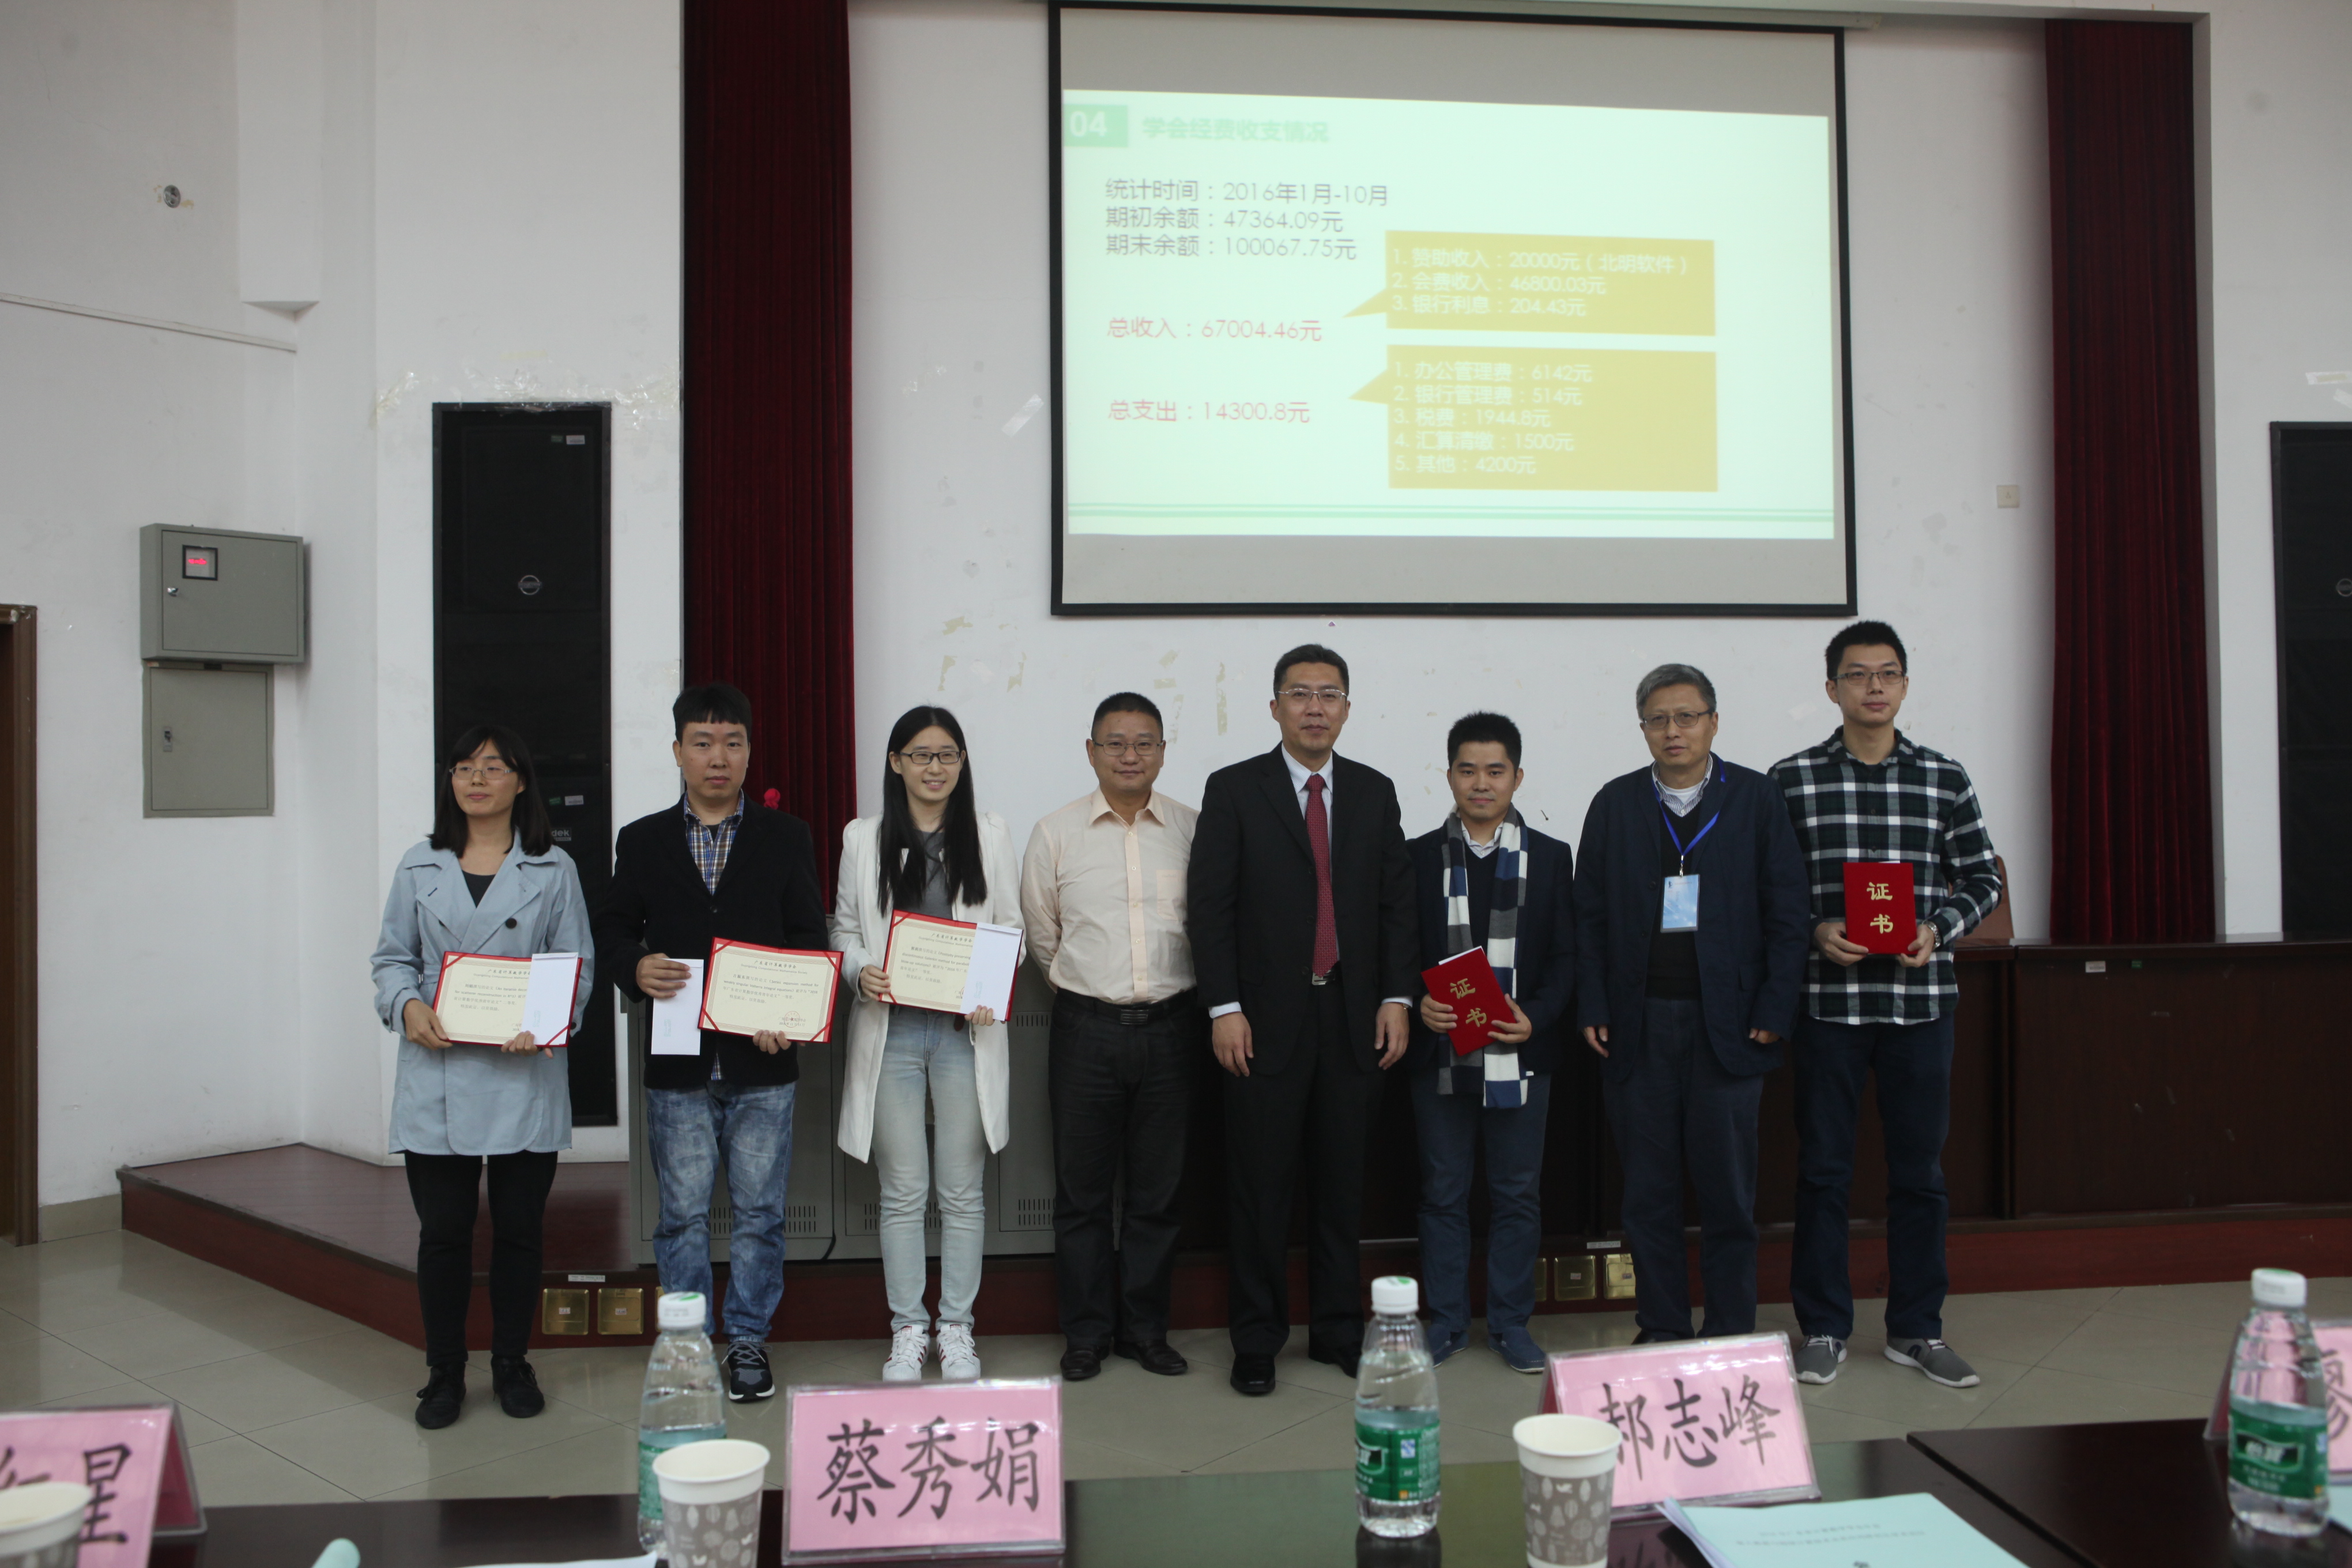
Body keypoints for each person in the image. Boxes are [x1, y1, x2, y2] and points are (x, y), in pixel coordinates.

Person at [1773, 620, 2003, 1389]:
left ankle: (1917, 1328)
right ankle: (1824, 1327)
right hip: (1827, 1008)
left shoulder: (1943, 776)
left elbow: (1983, 878)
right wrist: (1816, 928)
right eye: (1857, 673)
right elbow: (1769, 887)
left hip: (1920, 1007)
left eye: (1888, 673)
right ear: (1830, 687)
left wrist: (1939, 928)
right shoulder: (1792, 779)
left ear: (1904, 685)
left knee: (1921, 1176)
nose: (1874, 686)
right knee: (1823, 1173)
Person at [1188, 644, 1416, 1395]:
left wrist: (1396, 997)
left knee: (1342, 1187)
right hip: (1261, 1021)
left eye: (1329, 694)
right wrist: (1224, 1006)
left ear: (1347, 708)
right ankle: (1257, 1339)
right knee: (1260, 1190)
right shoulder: (1234, 789)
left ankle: (1338, 1331)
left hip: (1352, 1017)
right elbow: (1210, 908)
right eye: (1300, 694)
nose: (1315, 707)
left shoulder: (1375, 792)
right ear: (1275, 707)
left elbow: (1395, 905)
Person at [594, 683, 826, 1403]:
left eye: (732, 742)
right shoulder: (642, 840)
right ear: (678, 751)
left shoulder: (787, 836)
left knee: (760, 1213)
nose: (717, 756)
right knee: (682, 1215)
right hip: (679, 1062)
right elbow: (612, 929)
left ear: (749, 751)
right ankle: (688, 1345)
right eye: (702, 742)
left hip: (764, 1061)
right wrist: (635, 965)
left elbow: (808, 937)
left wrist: (789, 1011)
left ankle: (749, 1338)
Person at [1573, 665, 1808, 1344]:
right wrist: (1594, 1002)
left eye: (1687, 716)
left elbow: (1788, 911)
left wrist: (1774, 1008)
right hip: (1639, 1023)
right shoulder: (1615, 802)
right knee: (1648, 1195)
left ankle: (1731, 1329)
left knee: (1729, 1194)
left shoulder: (1757, 798)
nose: (1672, 730)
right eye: (1658, 719)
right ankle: (1663, 1326)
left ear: (1713, 721)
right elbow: (1588, 914)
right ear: (1643, 727)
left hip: (1729, 1027)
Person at [372, 725, 592, 1430]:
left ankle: (511, 1362)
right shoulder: (419, 864)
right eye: (464, 766)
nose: (477, 778)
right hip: (438, 1070)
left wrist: (547, 1021)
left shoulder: (553, 867)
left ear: (521, 781)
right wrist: (406, 1005)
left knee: (520, 1231)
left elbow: (574, 963)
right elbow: (391, 959)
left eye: (493, 766)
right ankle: (443, 1370)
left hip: (522, 1072)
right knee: (444, 1232)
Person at [832, 706, 1023, 1383]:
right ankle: (908, 1329)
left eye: (947, 754)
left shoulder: (989, 833)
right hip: (892, 1032)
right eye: (920, 754)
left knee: (962, 1190)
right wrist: (861, 970)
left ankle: (958, 1328)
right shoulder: (864, 837)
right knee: (904, 1189)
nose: (934, 767)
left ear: (962, 763)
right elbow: (844, 929)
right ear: (896, 762)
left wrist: (991, 981)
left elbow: (1012, 928)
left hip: (964, 1033)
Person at [1020, 693, 1201, 1382]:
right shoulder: (1055, 832)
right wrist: (1089, 992)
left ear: (1163, 751)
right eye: (1116, 742)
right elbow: (1044, 937)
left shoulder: (1191, 828)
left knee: (1159, 1195)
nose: (1130, 755)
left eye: (1144, 742)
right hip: (1085, 1030)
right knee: (1082, 1195)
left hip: (1173, 1029)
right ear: (1091, 751)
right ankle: (1087, 1333)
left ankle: (1146, 1331)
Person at [1408, 712, 1575, 1374]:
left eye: (1495, 770)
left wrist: (1537, 1016)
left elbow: (1567, 955)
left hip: (1522, 1051)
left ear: (1518, 776)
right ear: (1449, 775)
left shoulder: (1552, 856)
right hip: (1439, 1054)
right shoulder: (1418, 856)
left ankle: (1509, 1324)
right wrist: (1416, 1000)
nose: (1482, 782)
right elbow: (1397, 947)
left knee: (1517, 1194)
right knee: (1443, 1192)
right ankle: (1447, 1322)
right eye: (1468, 769)